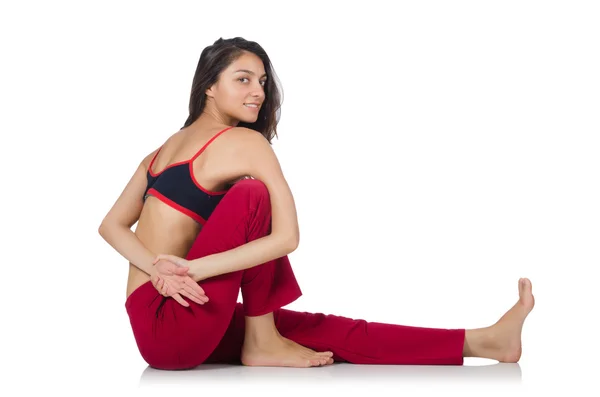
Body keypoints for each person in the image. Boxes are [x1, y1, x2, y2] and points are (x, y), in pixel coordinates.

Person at [98, 37, 535, 371]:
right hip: (175, 326)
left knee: (314, 329)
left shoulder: (160, 153)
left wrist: (159, 268)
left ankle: (481, 341)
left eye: (263, 82)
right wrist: (187, 270)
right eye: (243, 79)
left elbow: (112, 227)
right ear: (209, 86)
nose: (258, 92)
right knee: (253, 195)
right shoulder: (243, 142)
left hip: (153, 323)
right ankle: (262, 343)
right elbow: (287, 237)